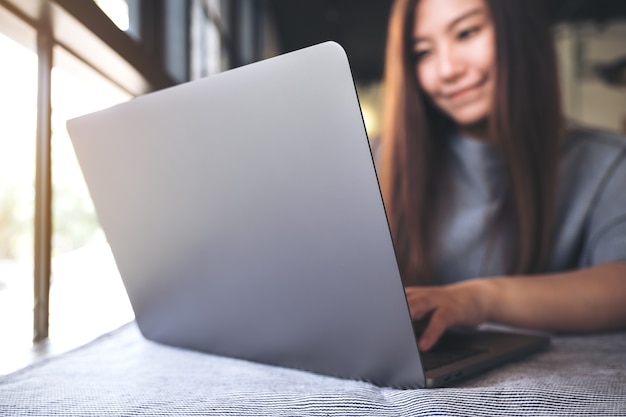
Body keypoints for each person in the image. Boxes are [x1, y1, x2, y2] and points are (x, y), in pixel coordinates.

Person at [377, 0, 626, 351]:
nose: (447, 69)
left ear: (520, 31)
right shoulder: (378, 159)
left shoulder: (609, 162)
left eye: (466, 33)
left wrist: (480, 299)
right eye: (422, 53)